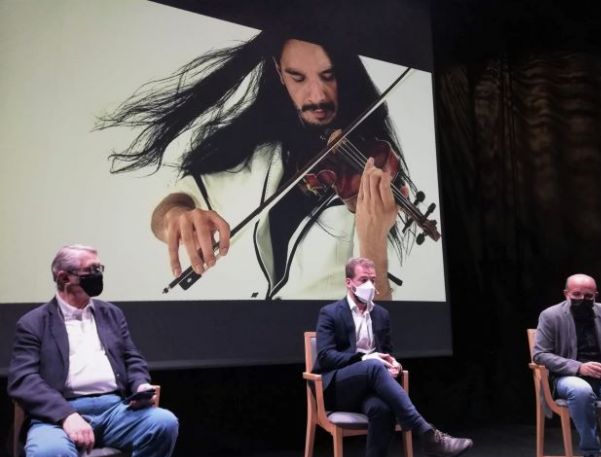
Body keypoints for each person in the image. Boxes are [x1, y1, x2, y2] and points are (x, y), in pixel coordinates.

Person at [100, 30, 430, 300]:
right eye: (298, 78)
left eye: (328, 76)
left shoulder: (375, 171)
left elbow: (380, 323)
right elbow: (174, 204)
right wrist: (178, 218)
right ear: (279, 75)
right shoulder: (266, 152)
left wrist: (372, 243)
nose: (316, 95)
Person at [7, 244, 179, 457]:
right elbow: (23, 379)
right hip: (58, 416)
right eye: (91, 270)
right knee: (48, 456)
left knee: (163, 423)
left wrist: (140, 385)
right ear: (64, 277)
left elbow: (132, 358)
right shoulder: (34, 323)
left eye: (100, 268)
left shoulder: (111, 314)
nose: (98, 275)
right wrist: (66, 415)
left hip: (115, 411)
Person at [313, 257, 473, 457]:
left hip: (369, 388)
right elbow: (325, 357)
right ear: (348, 282)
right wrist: (364, 357)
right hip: (339, 389)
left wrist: (393, 364)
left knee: (383, 410)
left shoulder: (381, 315)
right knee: (372, 365)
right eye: (363, 280)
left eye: (373, 280)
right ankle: (427, 433)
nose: (369, 285)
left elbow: (386, 352)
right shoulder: (330, 313)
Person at [534, 273, 601, 457]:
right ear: (566, 294)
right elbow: (540, 354)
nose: (582, 299)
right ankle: (590, 453)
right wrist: (579, 367)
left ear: (596, 295)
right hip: (567, 377)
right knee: (581, 390)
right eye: (576, 295)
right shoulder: (550, 315)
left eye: (588, 296)